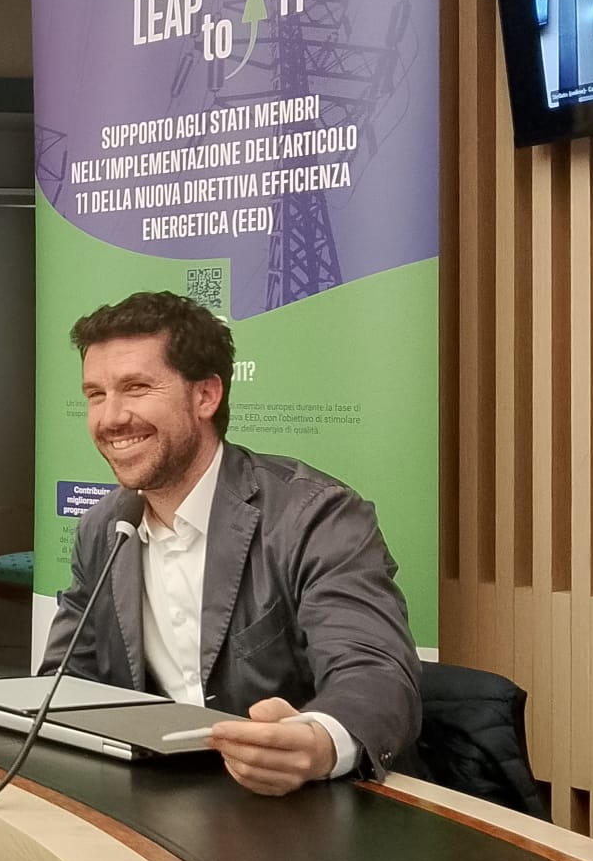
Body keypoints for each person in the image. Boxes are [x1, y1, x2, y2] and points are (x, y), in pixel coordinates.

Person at [40, 291, 421, 797]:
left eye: (136, 388)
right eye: (95, 394)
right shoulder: (103, 529)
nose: (110, 418)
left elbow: (374, 671)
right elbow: (65, 684)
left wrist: (318, 741)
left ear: (206, 396)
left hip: (305, 805)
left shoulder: (315, 516)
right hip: (156, 800)